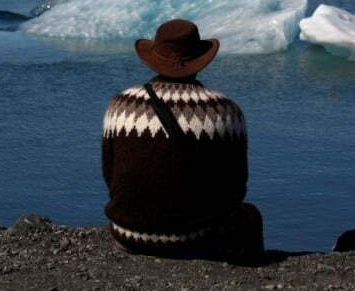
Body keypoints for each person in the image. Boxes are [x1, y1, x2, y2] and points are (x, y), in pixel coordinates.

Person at [101, 18, 263, 260]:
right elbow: (236, 187)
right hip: (195, 237)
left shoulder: (120, 106)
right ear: (200, 62)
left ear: (153, 59)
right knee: (250, 215)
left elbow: (109, 175)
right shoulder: (226, 110)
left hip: (128, 234)